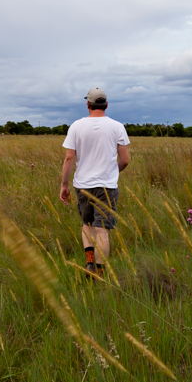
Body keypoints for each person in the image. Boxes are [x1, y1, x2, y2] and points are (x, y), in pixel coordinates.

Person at [59, 88, 130, 279]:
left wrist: (64, 185)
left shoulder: (76, 126)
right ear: (106, 104)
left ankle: (89, 263)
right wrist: (114, 172)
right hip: (107, 186)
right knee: (102, 230)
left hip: (82, 185)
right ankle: (99, 272)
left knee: (87, 224)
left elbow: (69, 158)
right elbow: (124, 160)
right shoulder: (117, 127)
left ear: (88, 105)